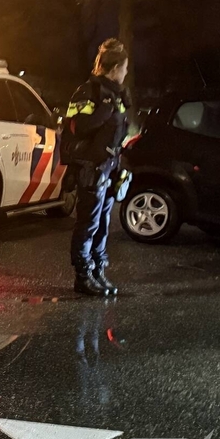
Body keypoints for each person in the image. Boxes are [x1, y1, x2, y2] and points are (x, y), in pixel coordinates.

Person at [64, 38, 130, 297]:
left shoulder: (118, 94)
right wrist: (103, 111)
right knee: (88, 223)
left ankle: (98, 270)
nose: (126, 73)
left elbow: (117, 133)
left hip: (108, 167)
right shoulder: (88, 91)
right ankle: (82, 275)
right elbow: (76, 127)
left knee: (102, 222)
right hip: (90, 168)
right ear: (114, 68)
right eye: (124, 68)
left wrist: (120, 165)